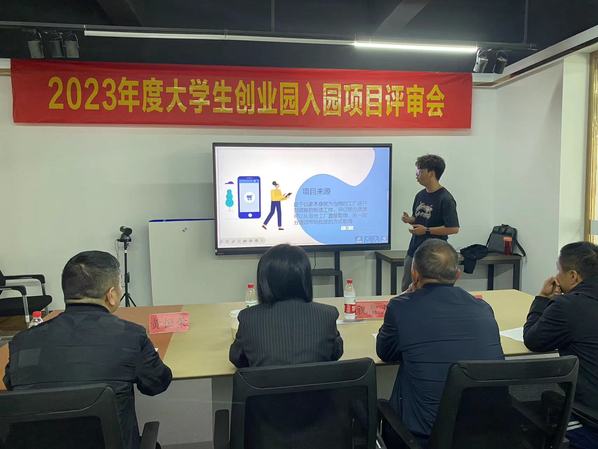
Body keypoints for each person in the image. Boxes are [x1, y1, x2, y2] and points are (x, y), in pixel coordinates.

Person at [3, 251, 172, 449]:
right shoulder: (130, 336)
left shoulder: (23, 341)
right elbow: (157, 383)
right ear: (111, 295)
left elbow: (12, 385)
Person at [377, 239, 503, 445]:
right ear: (457, 275)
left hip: (424, 436)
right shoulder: (483, 308)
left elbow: (385, 352)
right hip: (484, 431)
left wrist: (404, 298)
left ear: (414, 274)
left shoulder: (401, 307)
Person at [523, 242, 598, 449]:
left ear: (573, 276)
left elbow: (533, 340)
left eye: (559, 271)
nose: (557, 276)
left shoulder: (569, 306)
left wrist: (542, 299)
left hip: (590, 419)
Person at [229, 244, 343, 367]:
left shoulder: (249, 318)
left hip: (267, 380)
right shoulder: (327, 315)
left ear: (264, 281)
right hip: (316, 380)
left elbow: (237, 358)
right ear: (305, 279)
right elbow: (335, 353)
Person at [401, 154, 459, 292]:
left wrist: (426, 230)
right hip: (414, 250)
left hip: (434, 256)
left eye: (420, 171)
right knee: (407, 288)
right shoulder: (420, 195)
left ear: (431, 173)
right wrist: (410, 220)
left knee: (431, 291)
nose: (417, 175)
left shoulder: (445, 198)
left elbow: (453, 228)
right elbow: (419, 218)